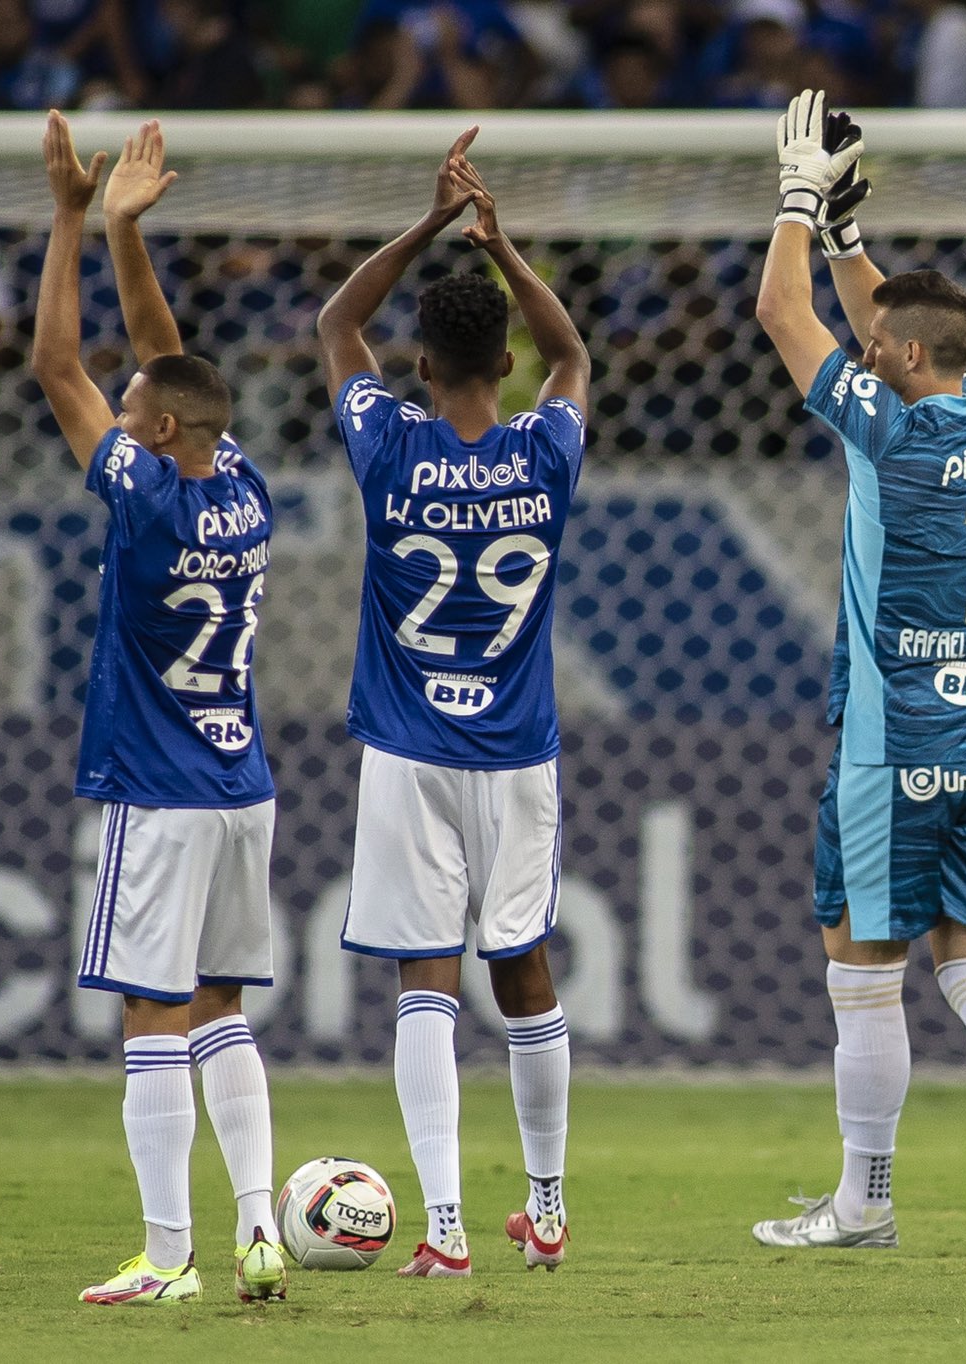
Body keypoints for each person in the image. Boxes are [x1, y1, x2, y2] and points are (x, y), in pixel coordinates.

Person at [749, 90, 966, 1256]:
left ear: (902, 364)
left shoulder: (885, 432)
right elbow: (875, 319)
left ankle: (865, 1200)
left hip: (893, 743)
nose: (862, 351)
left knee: (863, 970)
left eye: (876, 347)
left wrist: (793, 197)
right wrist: (844, 239)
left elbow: (773, 307)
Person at [316, 128, 590, 1279]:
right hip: (515, 753)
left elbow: (336, 325)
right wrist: (505, 247)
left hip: (410, 749)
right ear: (506, 365)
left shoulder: (387, 447)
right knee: (521, 968)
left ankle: (443, 1225)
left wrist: (431, 222)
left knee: (422, 976)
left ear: (418, 365)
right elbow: (575, 355)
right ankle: (548, 1204)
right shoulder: (542, 453)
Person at [31, 112, 287, 1308]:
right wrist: (136, 235)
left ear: (160, 433)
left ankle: (168, 1254)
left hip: (159, 782)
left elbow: (60, 368)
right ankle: (259, 1231)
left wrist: (76, 218)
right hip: (245, 786)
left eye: (136, 412)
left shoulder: (144, 501)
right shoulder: (239, 484)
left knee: (149, 1011)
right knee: (222, 1006)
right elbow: (164, 364)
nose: (120, 413)